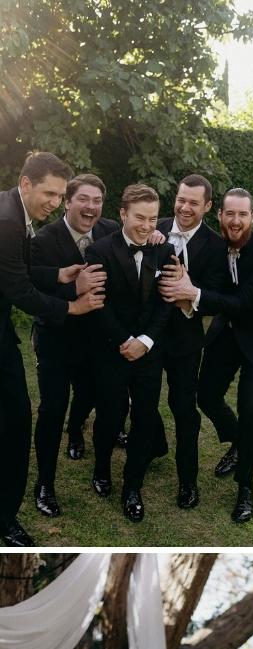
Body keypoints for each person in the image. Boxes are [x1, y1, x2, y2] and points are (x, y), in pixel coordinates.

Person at [0, 151, 104, 544]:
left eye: (60, 195)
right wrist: (71, 306)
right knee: (16, 421)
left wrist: (58, 274)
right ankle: (6, 520)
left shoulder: (14, 209)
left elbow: (15, 269)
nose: (54, 203)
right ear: (26, 184)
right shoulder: (9, 221)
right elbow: (19, 289)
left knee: (15, 419)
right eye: (49, 193)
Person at [159, 187, 253, 524]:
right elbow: (209, 284)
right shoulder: (216, 247)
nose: (235, 221)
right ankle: (238, 441)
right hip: (224, 333)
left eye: (242, 215)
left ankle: (245, 488)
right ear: (219, 214)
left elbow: (243, 301)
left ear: (252, 217)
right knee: (205, 395)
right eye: (229, 213)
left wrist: (195, 292)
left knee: (251, 410)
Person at [84, 183, 175, 522]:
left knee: (146, 419)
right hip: (111, 348)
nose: (148, 226)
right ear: (122, 213)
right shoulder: (99, 251)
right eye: (140, 218)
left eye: (153, 219)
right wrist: (125, 340)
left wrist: (146, 341)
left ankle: (132, 487)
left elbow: (166, 302)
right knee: (108, 415)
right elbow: (100, 304)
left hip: (150, 352)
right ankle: (102, 468)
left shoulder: (164, 251)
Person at [29, 173, 118, 517]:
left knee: (90, 396)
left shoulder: (111, 230)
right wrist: (74, 290)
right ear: (67, 201)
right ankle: (45, 484)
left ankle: (76, 431)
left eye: (97, 201)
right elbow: (34, 293)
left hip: (96, 340)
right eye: (84, 199)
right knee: (52, 410)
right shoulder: (42, 241)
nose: (91, 207)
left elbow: (140, 232)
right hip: (56, 339)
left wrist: (155, 234)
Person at [156, 174, 228, 510]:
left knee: (184, 410)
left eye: (193, 203)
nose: (185, 207)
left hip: (185, 339)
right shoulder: (152, 227)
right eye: (181, 200)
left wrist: (190, 295)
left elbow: (217, 297)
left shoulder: (216, 246)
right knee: (141, 402)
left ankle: (188, 482)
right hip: (149, 337)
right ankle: (151, 448)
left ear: (208, 206)